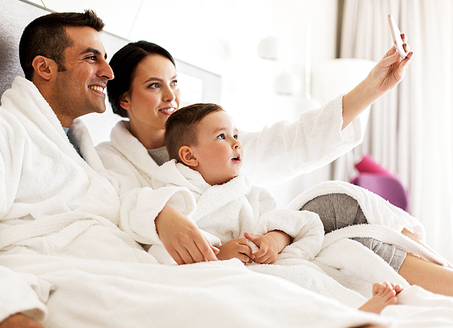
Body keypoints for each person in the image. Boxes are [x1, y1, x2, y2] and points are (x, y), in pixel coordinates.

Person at [0, 9, 396, 328]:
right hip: (98, 268)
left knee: (252, 277)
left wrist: (368, 91)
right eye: (93, 58)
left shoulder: (83, 150)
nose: (106, 72)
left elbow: (285, 143)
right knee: (215, 294)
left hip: (150, 262)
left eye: (175, 83)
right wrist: (3, 311)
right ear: (45, 68)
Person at [97, 39, 453, 296]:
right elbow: (121, 208)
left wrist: (371, 88)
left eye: (174, 83)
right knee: (353, 241)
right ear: (124, 98)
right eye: (154, 86)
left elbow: (292, 141)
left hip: (263, 237)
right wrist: (161, 215)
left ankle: (442, 272)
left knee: (340, 199)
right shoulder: (110, 159)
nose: (171, 95)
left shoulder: (215, 138)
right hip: (223, 255)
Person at [153, 102, 403, 315]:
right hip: (228, 278)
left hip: (260, 267)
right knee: (270, 294)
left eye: (236, 136)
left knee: (304, 276)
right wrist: (217, 257)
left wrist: (273, 241)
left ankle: (348, 311)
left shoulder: (249, 193)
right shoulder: (174, 197)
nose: (236, 144)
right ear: (189, 156)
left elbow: (286, 223)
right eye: (222, 137)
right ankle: (343, 317)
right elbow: (164, 254)